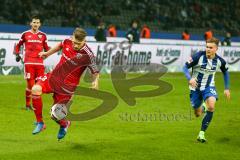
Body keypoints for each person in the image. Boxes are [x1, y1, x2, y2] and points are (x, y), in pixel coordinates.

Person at [31, 28, 99, 140]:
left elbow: (95, 71)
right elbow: (59, 46)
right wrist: (47, 54)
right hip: (53, 77)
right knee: (35, 89)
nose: (75, 45)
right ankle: (40, 123)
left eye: (78, 44)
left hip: (67, 87)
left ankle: (65, 124)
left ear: (84, 41)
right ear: (72, 37)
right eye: (74, 42)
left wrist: (95, 83)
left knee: (55, 115)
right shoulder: (67, 41)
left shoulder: (88, 54)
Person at [183, 37, 230, 143]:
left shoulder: (219, 61)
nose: (208, 49)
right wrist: (189, 78)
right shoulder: (198, 56)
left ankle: (201, 134)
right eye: (207, 47)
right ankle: (203, 107)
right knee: (197, 114)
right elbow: (184, 67)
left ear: (216, 49)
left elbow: (225, 72)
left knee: (212, 106)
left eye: (211, 47)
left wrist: (227, 88)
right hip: (195, 88)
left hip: (209, 86)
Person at [14, 15, 50, 110]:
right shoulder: (25, 34)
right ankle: (28, 105)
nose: (35, 24)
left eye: (37, 22)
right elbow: (18, 46)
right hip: (28, 63)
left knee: (39, 86)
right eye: (34, 22)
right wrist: (18, 54)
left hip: (39, 64)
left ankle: (36, 105)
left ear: (40, 24)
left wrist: (45, 54)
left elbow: (47, 49)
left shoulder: (43, 36)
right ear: (31, 23)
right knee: (30, 85)